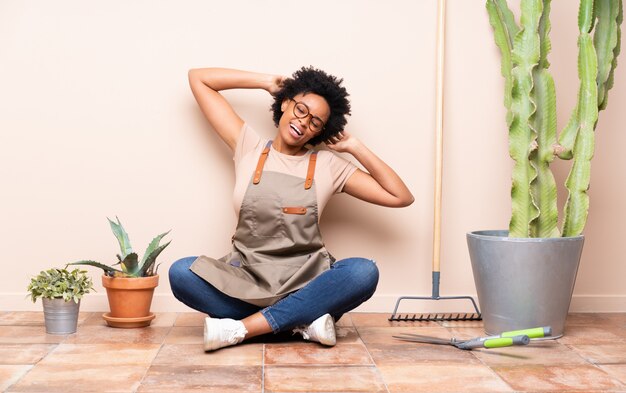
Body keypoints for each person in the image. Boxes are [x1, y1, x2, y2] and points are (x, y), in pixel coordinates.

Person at [169, 66, 414, 351]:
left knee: (362, 272)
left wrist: (355, 147)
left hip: (307, 282)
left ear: (322, 131)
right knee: (182, 272)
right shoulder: (248, 146)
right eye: (300, 109)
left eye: (315, 122)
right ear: (286, 103)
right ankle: (301, 323)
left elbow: (400, 196)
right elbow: (198, 78)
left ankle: (243, 329)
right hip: (248, 280)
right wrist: (266, 82)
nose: (303, 123)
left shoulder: (328, 165)